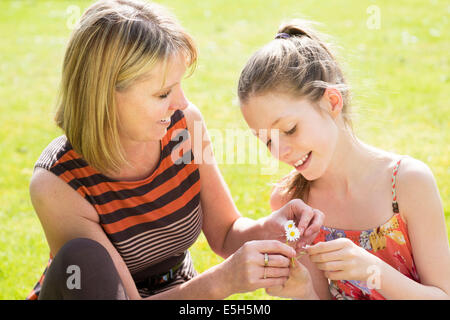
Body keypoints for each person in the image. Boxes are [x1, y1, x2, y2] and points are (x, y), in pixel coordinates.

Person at [26, 1, 324, 300]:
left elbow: (225, 233)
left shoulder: (183, 125)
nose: (181, 102)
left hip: (180, 293)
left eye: (179, 86)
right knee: (83, 255)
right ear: (104, 94)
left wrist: (269, 229)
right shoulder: (58, 183)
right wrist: (222, 281)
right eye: (163, 93)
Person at [237, 20, 450, 299]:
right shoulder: (291, 206)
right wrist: (303, 292)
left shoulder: (407, 183)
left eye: (290, 129)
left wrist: (373, 271)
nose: (280, 152)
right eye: (266, 140)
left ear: (332, 102)